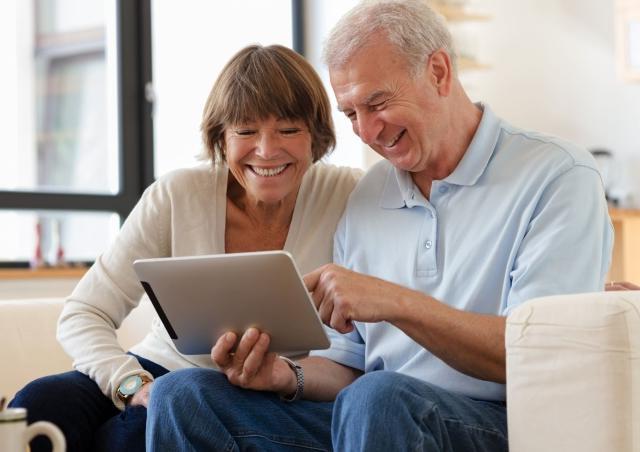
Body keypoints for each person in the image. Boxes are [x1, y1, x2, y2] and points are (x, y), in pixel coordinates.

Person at [145, 1, 613, 451]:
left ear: (438, 72)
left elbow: (538, 355)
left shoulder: (556, 175)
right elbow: (347, 366)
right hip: (370, 418)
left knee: (379, 397)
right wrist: (286, 375)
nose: (367, 132)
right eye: (351, 114)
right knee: (184, 395)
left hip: (496, 422)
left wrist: (397, 303)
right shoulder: (369, 195)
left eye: (378, 103)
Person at [9, 44, 361, 452]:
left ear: (316, 135)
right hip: (157, 372)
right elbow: (83, 312)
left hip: (263, 392)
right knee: (38, 405)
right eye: (245, 131)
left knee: (128, 436)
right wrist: (131, 384)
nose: (266, 150)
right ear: (221, 138)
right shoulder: (178, 194)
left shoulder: (350, 195)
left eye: (288, 130)